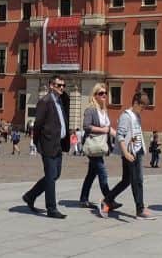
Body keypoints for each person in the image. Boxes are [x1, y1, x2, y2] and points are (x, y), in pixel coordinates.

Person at [100, 91, 154, 220]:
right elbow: (120, 136)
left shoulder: (137, 115)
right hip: (129, 152)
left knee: (128, 180)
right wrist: (125, 153)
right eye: (142, 106)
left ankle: (107, 200)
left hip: (137, 150)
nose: (143, 109)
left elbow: (136, 133)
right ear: (135, 103)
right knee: (135, 180)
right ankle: (140, 209)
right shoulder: (126, 116)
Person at [23, 77, 70, 219]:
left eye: (63, 85)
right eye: (59, 85)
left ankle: (30, 195)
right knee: (51, 176)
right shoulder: (45, 101)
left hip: (58, 144)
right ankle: (51, 208)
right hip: (48, 144)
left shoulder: (60, 101)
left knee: (55, 175)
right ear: (51, 86)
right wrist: (38, 143)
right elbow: (37, 125)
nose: (62, 88)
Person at [78, 82, 115, 210]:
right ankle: (109, 199)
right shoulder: (91, 109)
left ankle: (83, 199)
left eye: (105, 93)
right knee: (102, 173)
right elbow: (86, 126)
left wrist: (119, 135)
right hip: (93, 145)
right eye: (101, 93)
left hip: (100, 146)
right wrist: (102, 130)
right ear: (95, 95)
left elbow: (108, 128)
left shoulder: (103, 110)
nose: (104, 95)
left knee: (91, 174)